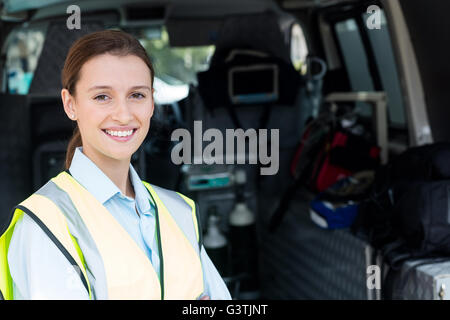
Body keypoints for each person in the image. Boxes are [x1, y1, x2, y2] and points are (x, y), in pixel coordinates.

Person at [0, 30, 231, 300]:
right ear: (70, 104)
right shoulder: (44, 225)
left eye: (137, 95)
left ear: (152, 103)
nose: (123, 115)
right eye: (102, 97)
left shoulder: (179, 211)